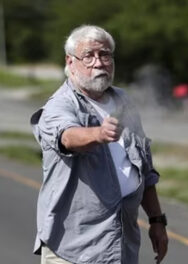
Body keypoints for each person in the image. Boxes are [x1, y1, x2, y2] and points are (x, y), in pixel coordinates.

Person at [30, 25, 168, 264]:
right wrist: (98, 134)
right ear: (70, 62)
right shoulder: (59, 105)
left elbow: (144, 169)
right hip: (73, 250)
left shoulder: (123, 101)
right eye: (89, 56)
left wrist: (157, 220)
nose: (99, 62)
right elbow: (67, 137)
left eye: (105, 54)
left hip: (121, 246)